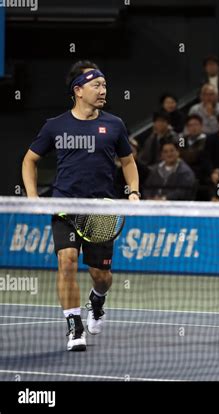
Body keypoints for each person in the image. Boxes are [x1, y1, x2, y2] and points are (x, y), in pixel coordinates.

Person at [21, 60, 140, 351]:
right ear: (78, 90)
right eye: (97, 85)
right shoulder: (55, 126)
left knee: (102, 276)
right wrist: (33, 197)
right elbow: (29, 160)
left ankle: (97, 300)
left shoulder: (114, 125)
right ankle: (74, 327)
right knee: (67, 262)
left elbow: (128, 161)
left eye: (105, 85)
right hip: (65, 206)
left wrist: (134, 192)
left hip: (101, 209)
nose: (103, 90)